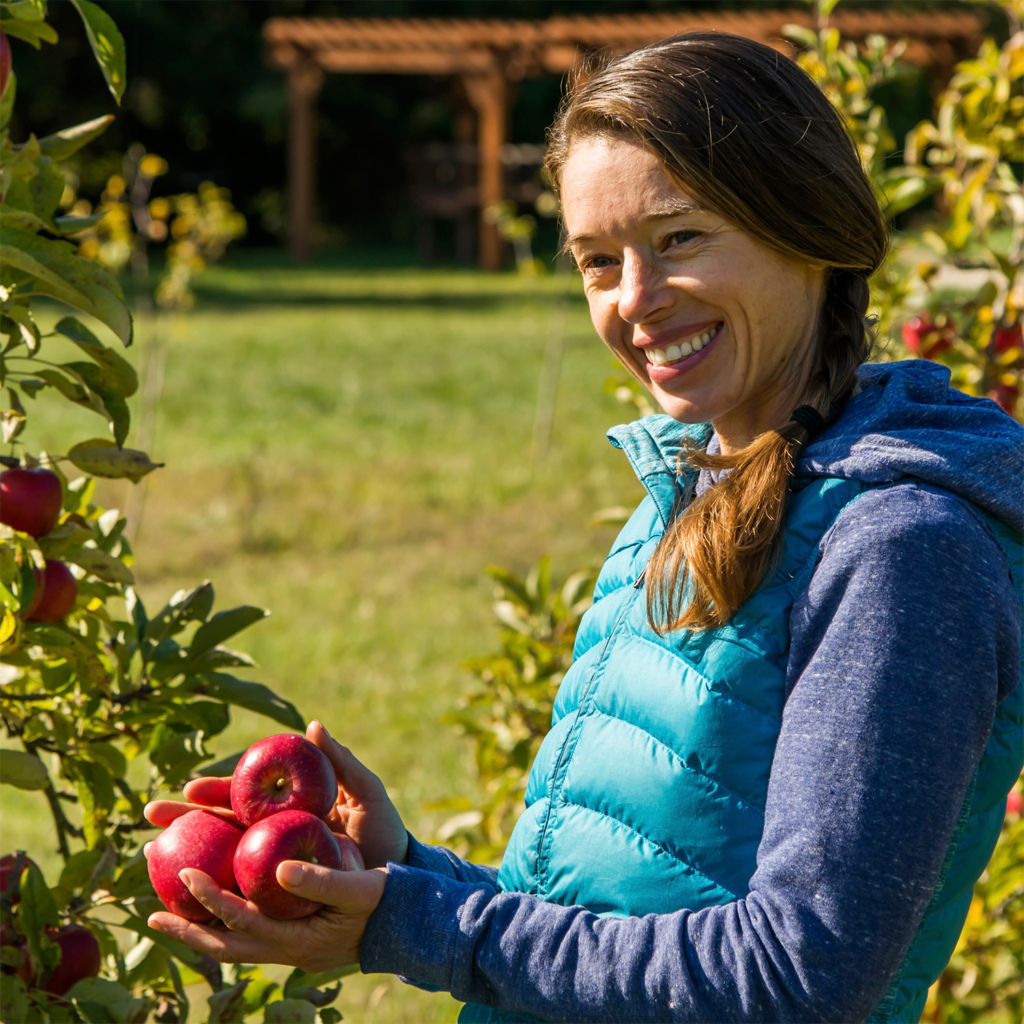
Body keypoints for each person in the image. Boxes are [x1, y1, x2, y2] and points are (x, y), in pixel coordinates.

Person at [144, 32, 1023, 1023]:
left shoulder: (901, 548)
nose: (634, 302)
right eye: (598, 261)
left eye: (679, 238)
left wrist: (421, 922)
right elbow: (611, 916)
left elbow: (794, 975)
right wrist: (397, 876)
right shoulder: (682, 495)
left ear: (807, 226)